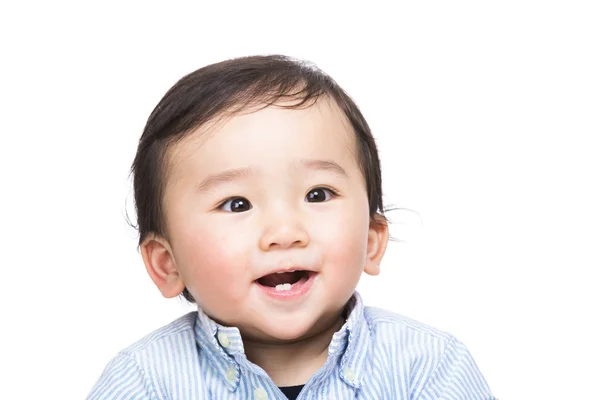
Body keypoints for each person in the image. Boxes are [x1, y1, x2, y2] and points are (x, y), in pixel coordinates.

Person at [88, 55, 495, 399]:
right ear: (167, 264)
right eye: (237, 204)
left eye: (318, 194)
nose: (285, 231)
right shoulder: (144, 384)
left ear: (372, 240)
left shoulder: (428, 369)